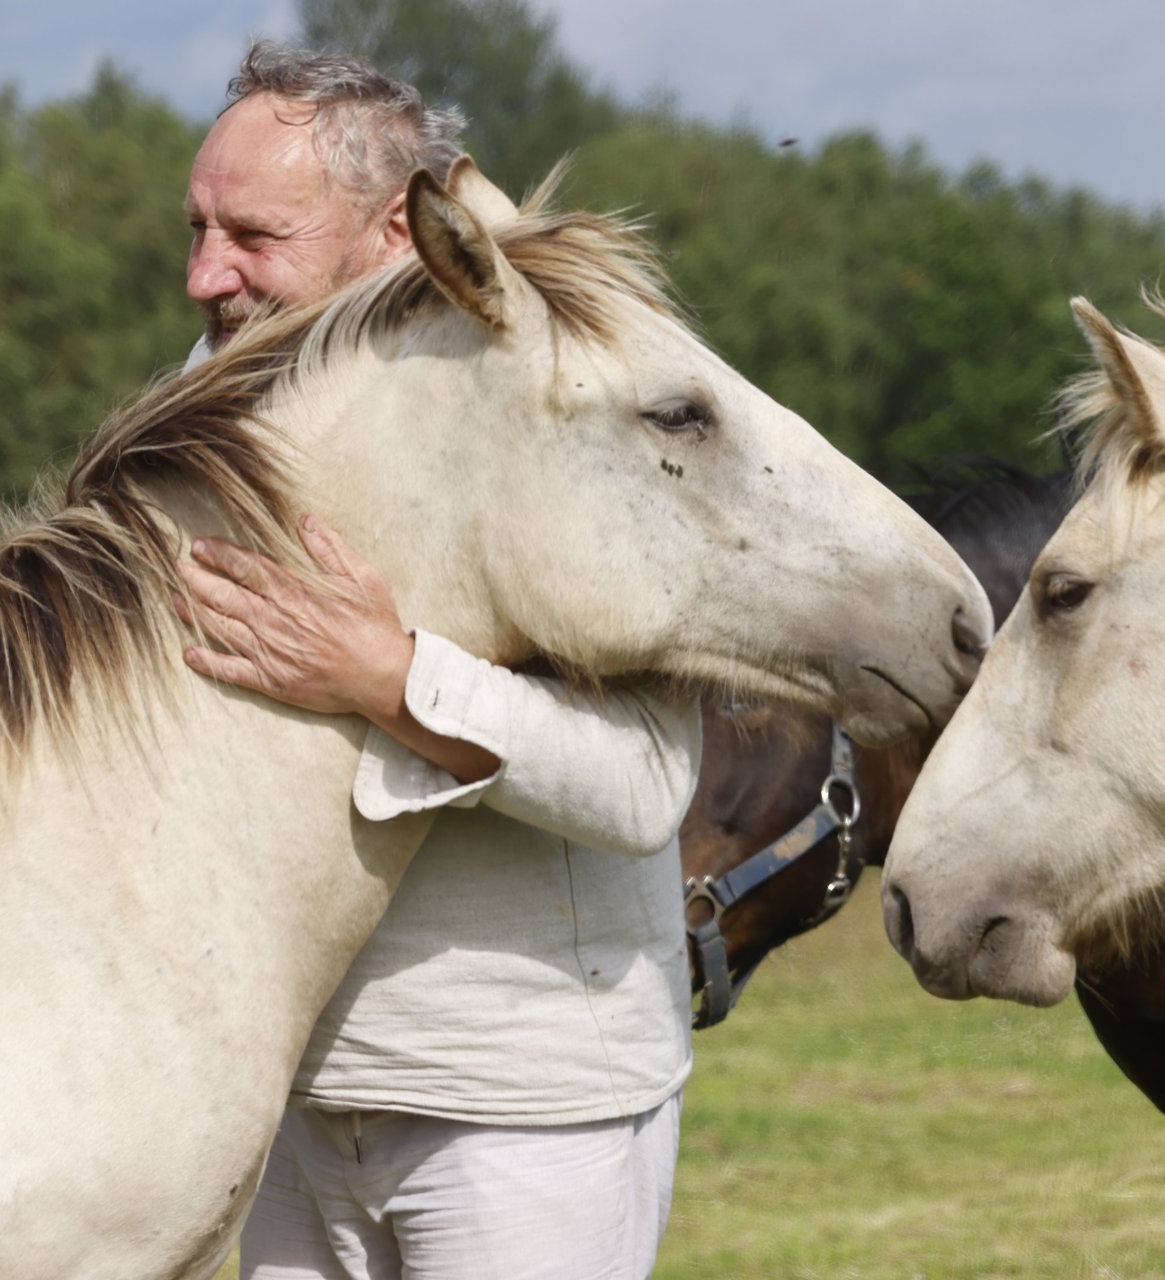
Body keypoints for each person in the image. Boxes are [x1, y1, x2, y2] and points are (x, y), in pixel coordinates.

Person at [174, 44, 701, 1280]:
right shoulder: (187, 415)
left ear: (399, 239)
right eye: (195, 227)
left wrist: (393, 674)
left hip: (522, 1110)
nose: (206, 274)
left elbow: (642, 786)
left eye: (254, 233)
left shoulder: (580, 408)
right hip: (282, 1099)